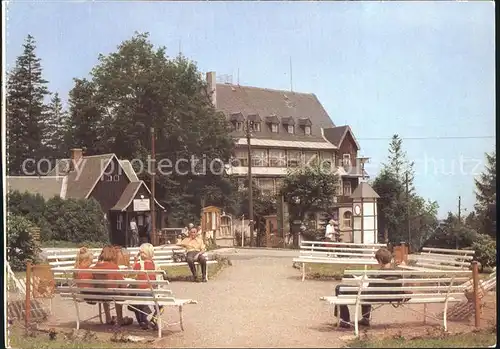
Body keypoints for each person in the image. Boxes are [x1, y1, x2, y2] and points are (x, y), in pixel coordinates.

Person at [333, 247, 409, 328]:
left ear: (380, 260)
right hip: (392, 297)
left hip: (372, 296)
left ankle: (345, 320)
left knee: (339, 288)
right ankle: (365, 319)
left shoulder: (377, 274)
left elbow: (368, 287)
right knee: (367, 291)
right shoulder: (398, 274)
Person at [92, 245, 133, 326]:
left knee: (107, 291)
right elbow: (122, 285)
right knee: (119, 292)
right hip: (113, 294)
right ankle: (120, 319)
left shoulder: (95, 267)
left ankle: (108, 318)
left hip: (101, 294)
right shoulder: (113, 267)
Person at [130, 243, 156, 329]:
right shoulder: (153, 264)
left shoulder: (139, 264)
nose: (140, 254)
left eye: (142, 253)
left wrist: (135, 261)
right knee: (139, 298)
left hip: (142, 292)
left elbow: (131, 273)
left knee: (135, 298)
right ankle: (146, 319)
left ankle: (142, 320)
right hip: (151, 291)